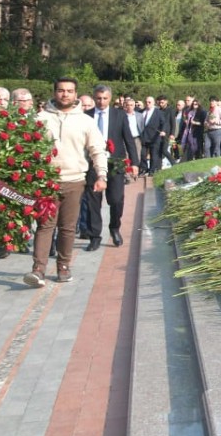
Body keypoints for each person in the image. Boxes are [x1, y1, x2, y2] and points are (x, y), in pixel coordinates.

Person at [26, 78, 107, 286]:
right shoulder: (40, 118)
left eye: (69, 91)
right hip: (47, 181)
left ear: (76, 94)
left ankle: (63, 266)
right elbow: (27, 148)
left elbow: (97, 150)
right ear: (54, 93)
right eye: (61, 90)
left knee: (68, 227)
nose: (65, 95)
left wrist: (101, 175)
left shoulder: (85, 121)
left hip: (75, 180)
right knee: (44, 225)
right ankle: (38, 270)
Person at [84, 84, 139, 250]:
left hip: (115, 162)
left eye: (105, 98)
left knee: (116, 199)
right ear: (94, 98)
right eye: (98, 98)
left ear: (110, 98)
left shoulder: (119, 115)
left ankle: (114, 228)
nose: (101, 102)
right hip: (92, 163)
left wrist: (135, 163)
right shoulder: (86, 116)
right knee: (93, 201)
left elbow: (128, 139)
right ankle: (95, 236)